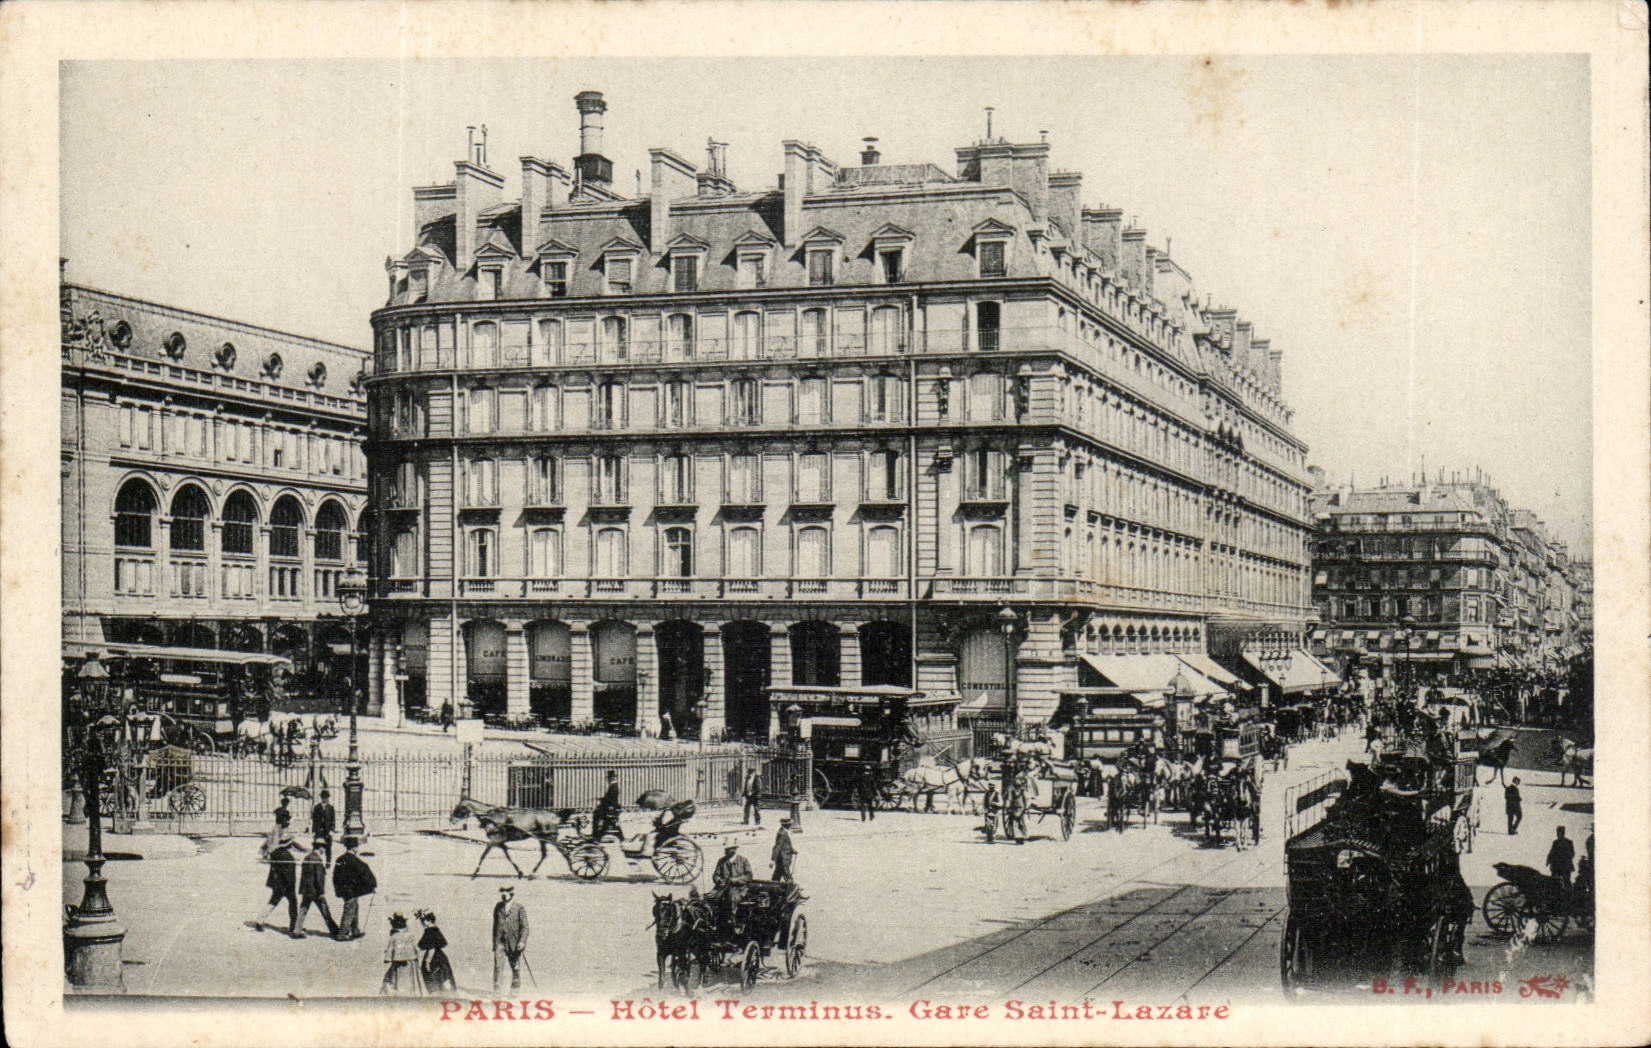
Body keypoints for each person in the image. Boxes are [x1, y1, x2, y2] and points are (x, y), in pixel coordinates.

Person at [249, 831, 304, 938]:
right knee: (293, 903)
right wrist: (291, 886)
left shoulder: (275, 853)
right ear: (289, 844)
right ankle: (293, 927)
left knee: (273, 901)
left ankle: (259, 920)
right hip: (287, 885)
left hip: (277, 883)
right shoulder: (288, 857)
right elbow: (289, 875)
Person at [331, 835, 376, 941]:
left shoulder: (340, 859)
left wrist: (338, 889)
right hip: (351, 891)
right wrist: (372, 885)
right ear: (355, 848)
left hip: (343, 890)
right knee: (349, 911)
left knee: (354, 909)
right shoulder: (355, 860)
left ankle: (355, 931)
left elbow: (335, 876)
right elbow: (365, 873)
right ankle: (342, 934)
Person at [294, 840, 340, 938]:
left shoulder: (307, 857)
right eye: (323, 848)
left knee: (303, 909)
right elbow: (319, 878)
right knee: (325, 910)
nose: (324, 850)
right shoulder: (317, 859)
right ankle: (335, 930)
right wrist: (321, 891)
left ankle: (296, 930)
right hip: (316, 890)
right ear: (320, 848)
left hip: (307, 890)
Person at [712, 842, 753, 929]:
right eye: (726, 849)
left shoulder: (743, 861)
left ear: (734, 850)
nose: (726, 851)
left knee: (732, 898)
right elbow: (716, 875)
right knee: (709, 898)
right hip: (723, 888)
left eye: (728, 849)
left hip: (739, 889)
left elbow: (749, 876)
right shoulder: (722, 861)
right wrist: (719, 880)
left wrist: (734, 880)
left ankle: (732, 921)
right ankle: (713, 921)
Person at [416, 909, 456, 994]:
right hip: (440, 957)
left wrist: (428, 961)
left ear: (427, 921)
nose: (422, 923)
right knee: (442, 976)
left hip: (433, 957)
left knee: (433, 977)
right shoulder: (436, 930)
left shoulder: (429, 932)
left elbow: (431, 948)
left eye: (423, 921)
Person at [381, 913, 422, 996]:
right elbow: (415, 948)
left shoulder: (394, 937)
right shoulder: (410, 935)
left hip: (399, 961)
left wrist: (387, 958)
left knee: (399, 978)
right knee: (410, 978)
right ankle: (411, 993)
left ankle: (400, 994)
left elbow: (391, 949)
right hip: (411, 960)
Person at [592, 770, 622, 841]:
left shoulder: (614, 786)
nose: (608, 780)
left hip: (610, 808)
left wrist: (603, 800)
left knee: (596, 815)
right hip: (610, 807)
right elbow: (609, 798)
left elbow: (611, 799)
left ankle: (596, 834)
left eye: (609, 778)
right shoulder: (613, 786)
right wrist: (602, 799)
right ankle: (597, 833)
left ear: (612, 778)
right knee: (597, 813)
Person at [310, 789, 336, 865]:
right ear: (322, 798)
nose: (326, 799)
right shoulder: (316, 807)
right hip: (318, 831)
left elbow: (333, 820)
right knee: (316, 847)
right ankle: (315, 862)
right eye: (324, 797)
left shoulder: (330, 808)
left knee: (328, 848)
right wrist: (314, 831)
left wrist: (332, 829)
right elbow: (314, 820)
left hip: (327, 831)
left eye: (327, 797)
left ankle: (328, 863)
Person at [771, 818, 797, 882]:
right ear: (787, 825)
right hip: (783, 858)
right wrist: (772, 859)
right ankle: (791, 887)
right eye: (789, 824)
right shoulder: (782, 834)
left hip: (782, 858)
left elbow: (784, 844)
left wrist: (792, 850)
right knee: (786, 875)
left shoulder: (783, 832)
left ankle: (773, 886)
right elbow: (778, 846)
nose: (790, 825)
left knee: (777, 875)